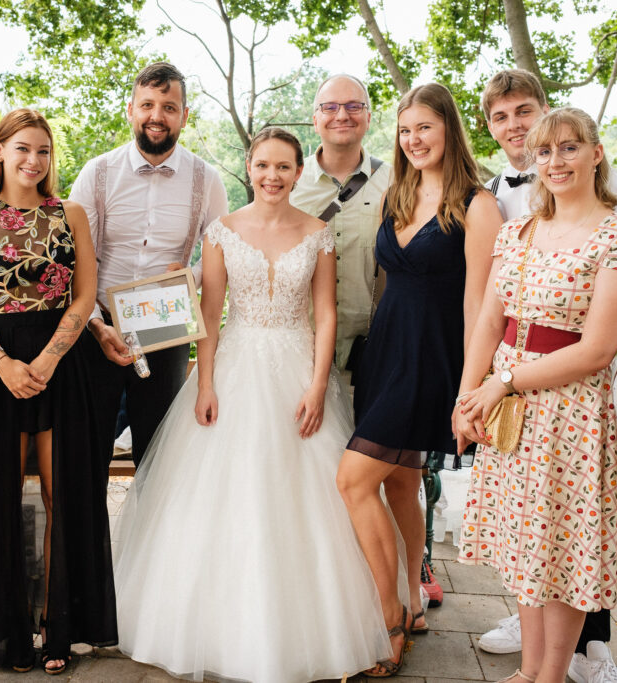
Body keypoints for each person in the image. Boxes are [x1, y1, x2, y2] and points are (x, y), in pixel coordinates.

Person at [114, 126, 408, 683]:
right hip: (236, 368)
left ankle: (354, 621)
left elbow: (324, 314)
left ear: (299, 173)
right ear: (248, 168)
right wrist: (205, 383)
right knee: (225, 495)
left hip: (299, 368)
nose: (272, 176)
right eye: (263, 165)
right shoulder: (221, 232)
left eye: (284, 167)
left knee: (315, 492)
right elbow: (211, 312)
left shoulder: (318, 233)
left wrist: (319, 385)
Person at [476, 69, 617, 683]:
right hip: (511, 408)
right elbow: (488, 319)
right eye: (545, 151)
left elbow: (596, 350)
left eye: (569, 147)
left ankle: (553, 675)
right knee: (528, 550)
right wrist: (468, 393)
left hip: (573, 411)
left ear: (596, 153)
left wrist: (504, 382)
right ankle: (528, 673)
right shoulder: (518, 232)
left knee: (561, 552)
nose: (555, 161)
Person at [335, 82, 503, 677]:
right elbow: (383, 283)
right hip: (384, 353)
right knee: (400, 486)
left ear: (449, 130)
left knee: (353, 481)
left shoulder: (477, 205)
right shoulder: (396, 194)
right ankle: (412, 595)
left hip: (432, 361)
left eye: (425, 128)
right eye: (405, 131)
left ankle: (389, 620)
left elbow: (481, 305)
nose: (414, 140)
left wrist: (469, 388)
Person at [0, 109, 116, 674]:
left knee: (62, 496)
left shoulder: (70, 214)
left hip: (62, 365)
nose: (33, 160)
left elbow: (85, 295)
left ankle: (59, 634)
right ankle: (7, 636)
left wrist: (46, 358)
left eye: (43, 150)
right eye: (22, 148)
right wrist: (1, 362)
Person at [68, 61, 228, 469]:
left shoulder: (206, 180)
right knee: (87, 451)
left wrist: (187, 276)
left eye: (169, 107)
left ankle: (148, 534)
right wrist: (96, 326)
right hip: (96, 324)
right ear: (131, 109)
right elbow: (69, 256)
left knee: (158, 457)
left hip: (167, 324)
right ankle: (91, 536)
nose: (157, 116)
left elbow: (221, 257)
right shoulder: (98, 172)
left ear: (184, 116)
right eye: (148, 105)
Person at [290, 74, 391, 372]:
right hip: (300, 352)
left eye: (354, 106)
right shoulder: (288, 182)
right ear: (315, 119)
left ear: (369, 117)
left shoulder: (398, 181)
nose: (343, 115)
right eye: (330, 107)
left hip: (371, 353)